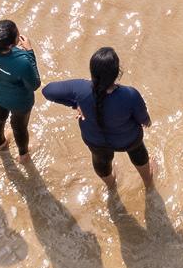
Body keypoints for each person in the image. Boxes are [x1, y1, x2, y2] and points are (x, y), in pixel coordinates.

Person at [41, 47, 154, 190]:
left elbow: (47, 91)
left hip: (95, 141)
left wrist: (76, 104)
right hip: (128, 140)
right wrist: (147, 121)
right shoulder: (130, 94)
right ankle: (148, 182)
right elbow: (143, 120)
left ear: (92, 70)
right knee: (138, 152)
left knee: (100, 160)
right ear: (117, 72)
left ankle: (111, 185)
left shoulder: (80, 89)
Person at [0, 19, 42, 158]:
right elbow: (34, 84)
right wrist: (30, 51)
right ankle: (24, 154)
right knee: (19, 128)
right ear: (11, 45)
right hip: (18, 101)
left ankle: (0, 144)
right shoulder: (21, 61)